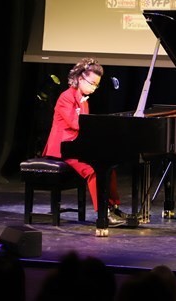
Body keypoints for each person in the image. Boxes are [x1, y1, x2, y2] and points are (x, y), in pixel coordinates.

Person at [42, 58, 125, 228]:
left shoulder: (83, 99)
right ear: (80, 79)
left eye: (97, 85)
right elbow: (75, 124)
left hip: (76, 146)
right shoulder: (66, 97)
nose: (94, 88)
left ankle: (113, 206)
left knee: (109, 165)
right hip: (63, 148)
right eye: (92, 83)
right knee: (93, 171)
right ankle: (103, 213)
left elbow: (84, 127)